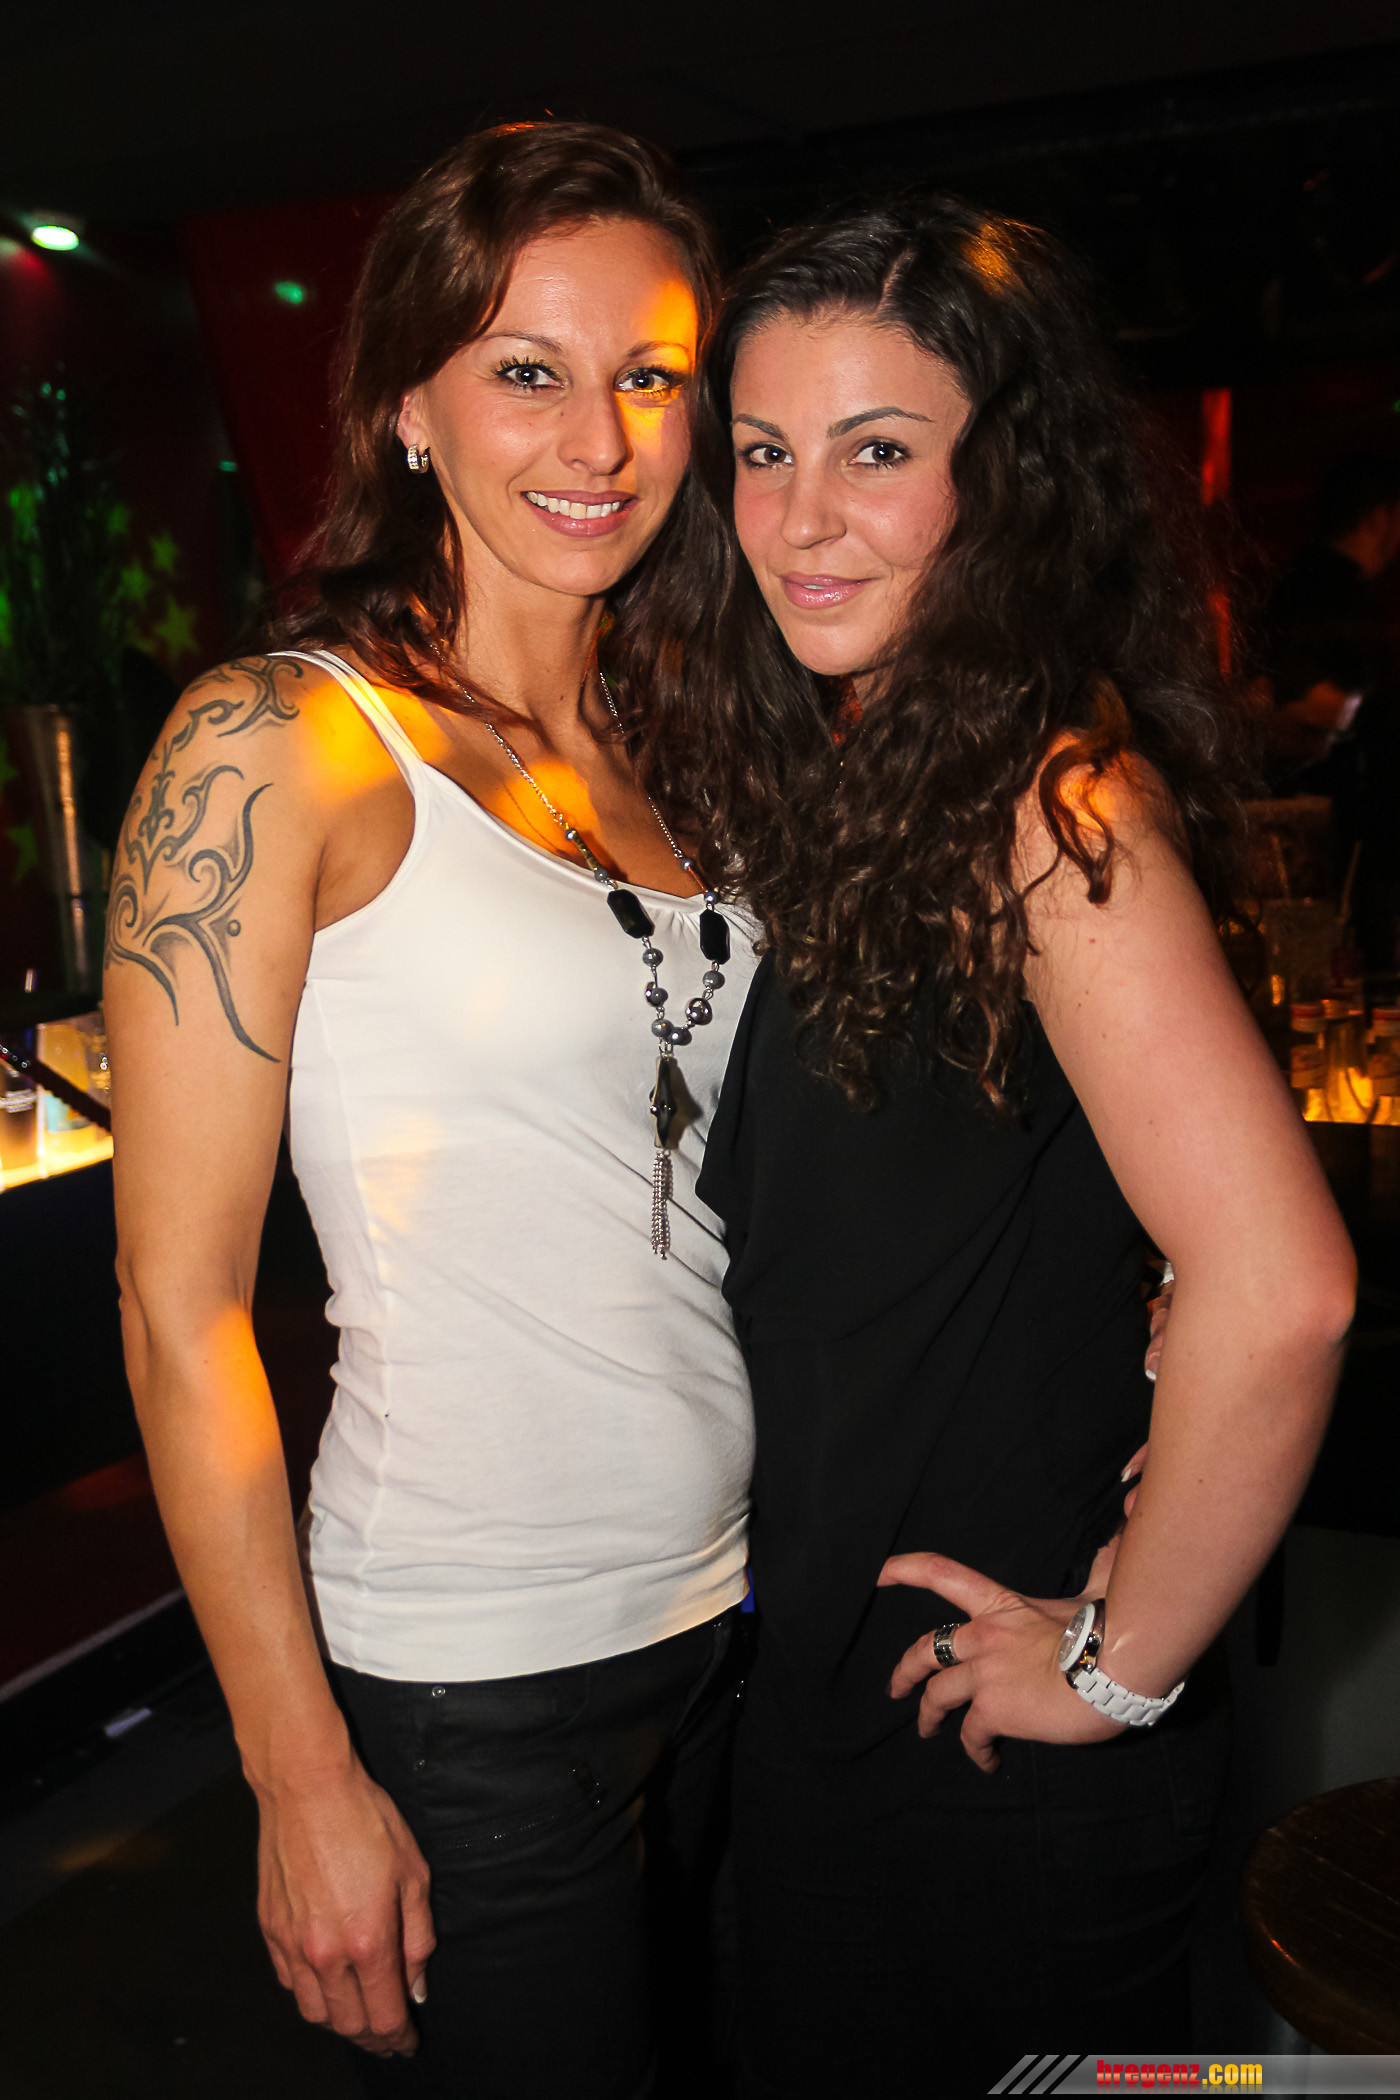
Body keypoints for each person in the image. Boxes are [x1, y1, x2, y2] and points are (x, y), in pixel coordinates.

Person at [614, 197, 1356, 2092]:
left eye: (878, 453)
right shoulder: (869, 786)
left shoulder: (1047, 808)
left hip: (985, 1742)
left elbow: (1283, 1288)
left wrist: (1117, 1664)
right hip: (843, 1693)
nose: (801, 518)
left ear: (1004, 482)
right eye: (763, 453)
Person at [105, 121, 756, 2100]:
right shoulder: (282, 744)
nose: (600, 439)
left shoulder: (685, 748)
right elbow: (178, 1310)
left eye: (649, 375)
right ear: (408, 402)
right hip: (476, 1676)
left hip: (742, 1611)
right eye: (526, 370)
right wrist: (296, 1771)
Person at [1263, 450, 1400, 964]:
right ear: (1379, 517)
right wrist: (1345, 715)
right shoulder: (1333, 595)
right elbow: (1296, 704)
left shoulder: (1297, 586)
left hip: (1336, 825)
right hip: (1338, 832)